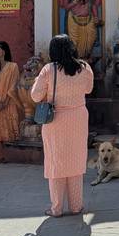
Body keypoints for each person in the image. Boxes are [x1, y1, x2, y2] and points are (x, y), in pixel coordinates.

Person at [31, 34, 94, 217]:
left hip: (55, 119)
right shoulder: (84, 67)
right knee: (76, 160)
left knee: (55, 162)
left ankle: (56, 208)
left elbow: (35, 96)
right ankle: (76, 206)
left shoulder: (48, 70)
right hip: (78, 116)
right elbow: (88, 89)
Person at [0, 41, 21, 162]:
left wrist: (4, 102)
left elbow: (14, 85)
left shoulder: (13, 67)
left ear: (4, 51)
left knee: (0, 129)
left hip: (7, 102)